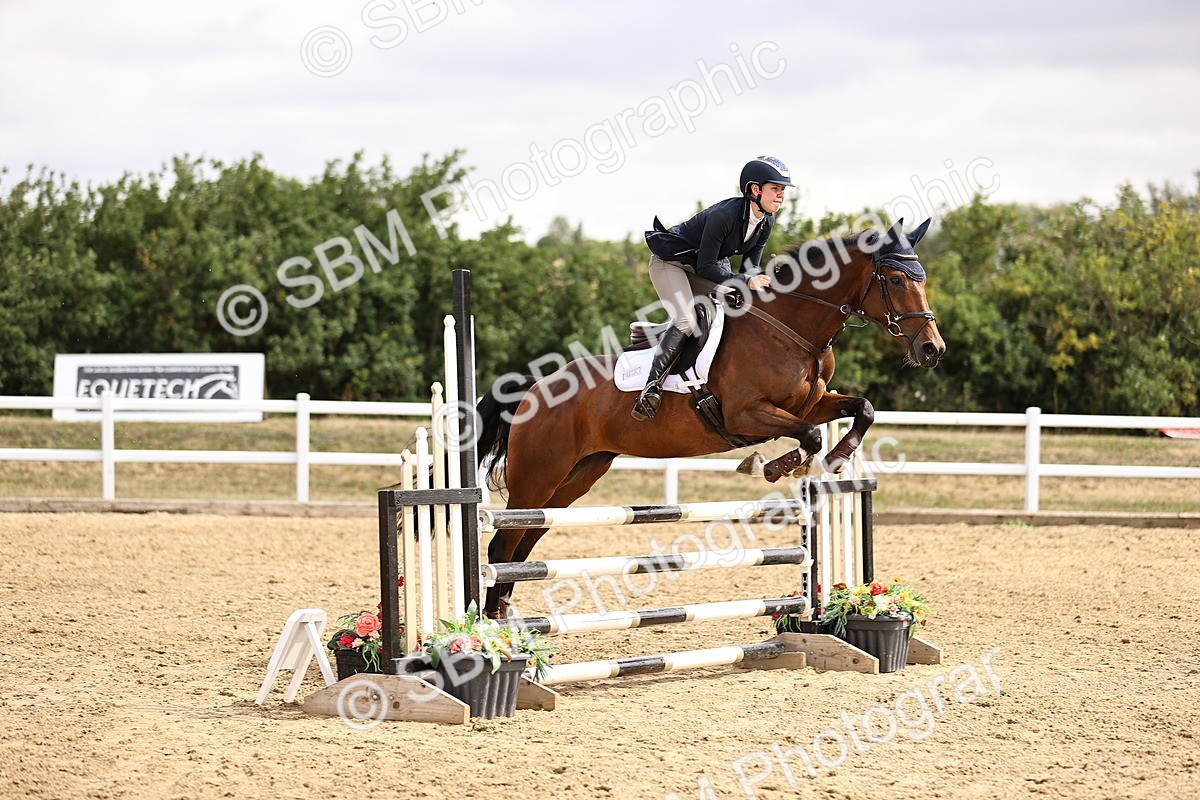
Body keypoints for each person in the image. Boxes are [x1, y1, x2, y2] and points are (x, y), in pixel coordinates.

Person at [632, 155, 793, 421]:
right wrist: (745, 282)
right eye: (776, 189)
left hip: (700, 269)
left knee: (740, 302)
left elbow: (749, 267)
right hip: (670, 265)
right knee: (686, 318)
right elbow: (708, 266)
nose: (781, 196)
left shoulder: (766, 221)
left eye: (782, 190)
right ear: (755, 189)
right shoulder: (724, 215)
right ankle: (651, 387)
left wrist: (759, 281)